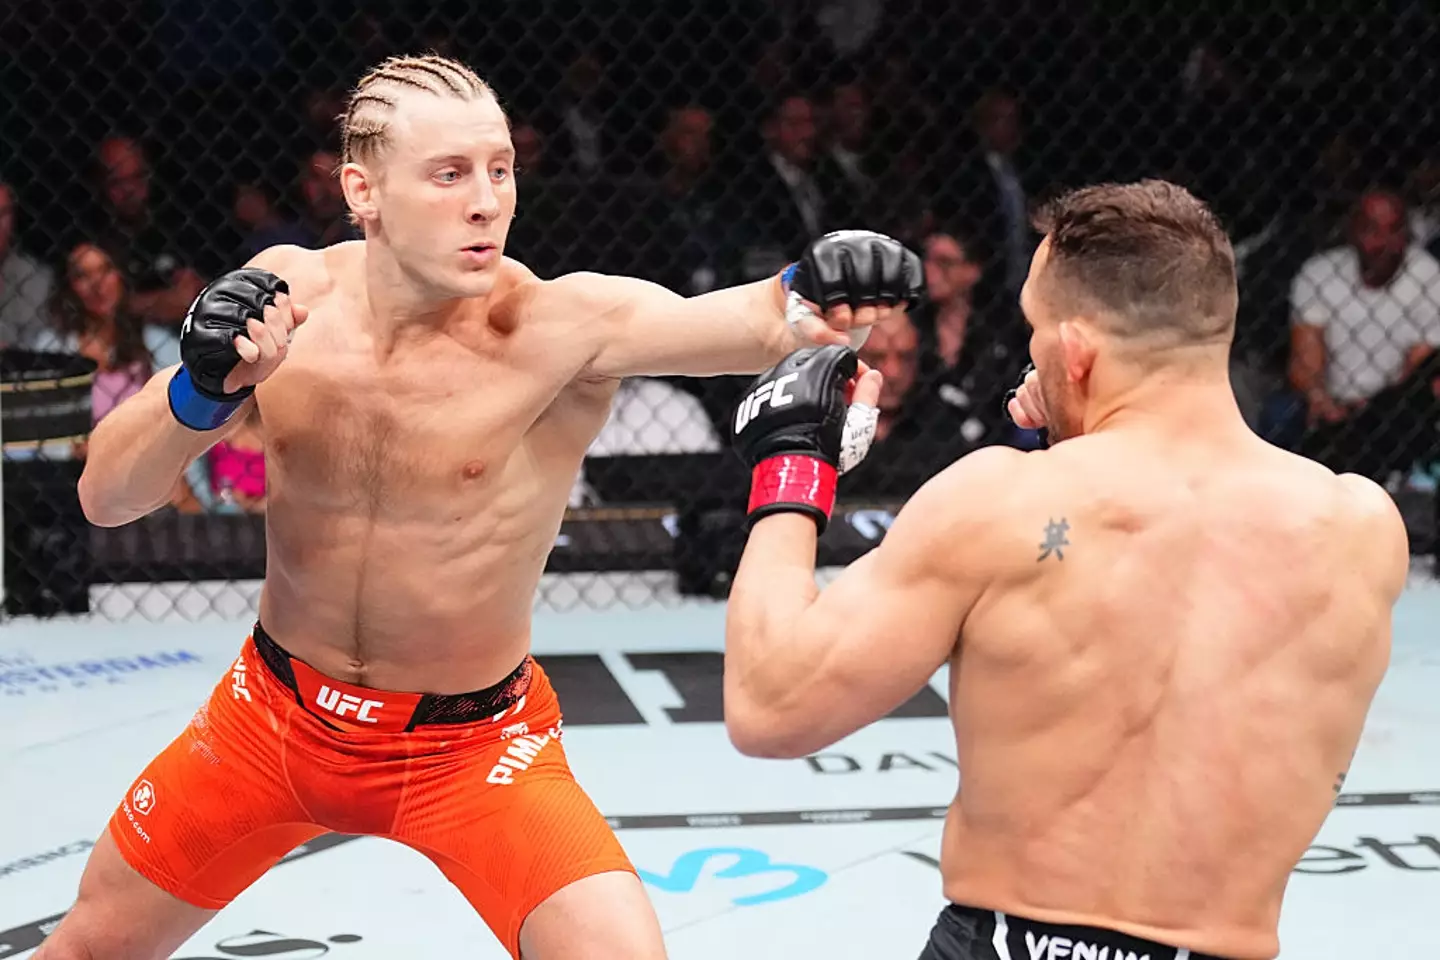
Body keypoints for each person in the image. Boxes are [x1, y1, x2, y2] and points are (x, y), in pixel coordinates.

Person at [45, 54, 921, 960]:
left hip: (470, 750)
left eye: (500, 169)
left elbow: (762, 320)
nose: (487, 201)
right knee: (84, 950)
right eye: (450, 174)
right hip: (271, 719)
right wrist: (200, 388)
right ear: (364, 191)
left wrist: (820, 283)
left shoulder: (559, 327)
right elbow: (106, 498)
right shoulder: (288, 298)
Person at [722, 179, 1407, 960]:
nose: (1030, 353)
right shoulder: (1360, 527)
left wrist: (791, 465)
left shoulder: (1001, 503)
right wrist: (1076, 429)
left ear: (1076, 350)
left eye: (1035, 330)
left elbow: (770, 704)